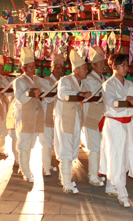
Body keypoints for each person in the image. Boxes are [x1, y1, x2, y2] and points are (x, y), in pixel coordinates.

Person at [99, 54, 133, 208]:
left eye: (127, 65)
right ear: (113, 66)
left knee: (125, 155)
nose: (126, 68)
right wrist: (127, 98)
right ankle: (122, 193)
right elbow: (113, 103)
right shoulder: (108, 84)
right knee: (116, 156)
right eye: (123, 65)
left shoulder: (129, 84)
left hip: (127, 124)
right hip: (115, 124)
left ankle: (110, 186)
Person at [55, 49, 91, 194]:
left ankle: (63, 177)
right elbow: (63, 93)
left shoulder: (82, 83)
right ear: (75, 70)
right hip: (65, 119)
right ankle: (67, 183)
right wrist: (79, 94)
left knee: (72, 149)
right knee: (65, 150)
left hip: (75, 119)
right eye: (84, 68)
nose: (86, 71)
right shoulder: (65, 80)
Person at [14, 47, 50, 183]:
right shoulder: (19, 81)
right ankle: (26, 172)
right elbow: (20, 97)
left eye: (33, 66)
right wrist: (31, 92)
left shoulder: (37, 79)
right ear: (23, 68)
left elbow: (47, 89)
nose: (32, 69)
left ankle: (25, 167)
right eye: (29, 67)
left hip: (36, 116)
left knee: (31, 144)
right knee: (24, 144)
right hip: (24, 116)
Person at [81, 46, 107, 187]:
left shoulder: (105, 78)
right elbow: (87, 94)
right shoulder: (88, 79)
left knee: (102, 146)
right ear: (93, 65)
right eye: (101, 63)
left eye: (104, 63)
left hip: (103, 115)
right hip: (92, 116)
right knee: (94, 147)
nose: (103, 66)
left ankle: (98, 172)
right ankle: (92, 176)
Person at [38, 52, 64, 177]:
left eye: (60, 68)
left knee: (55, 142)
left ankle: (48, 164)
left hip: (59, 115)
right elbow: (48, 98)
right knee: (46, 142)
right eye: (56, 67)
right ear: (51, 68)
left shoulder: (64, 82)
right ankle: (46, 168)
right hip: (47, 114)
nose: (58, 70)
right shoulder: (45, 81)